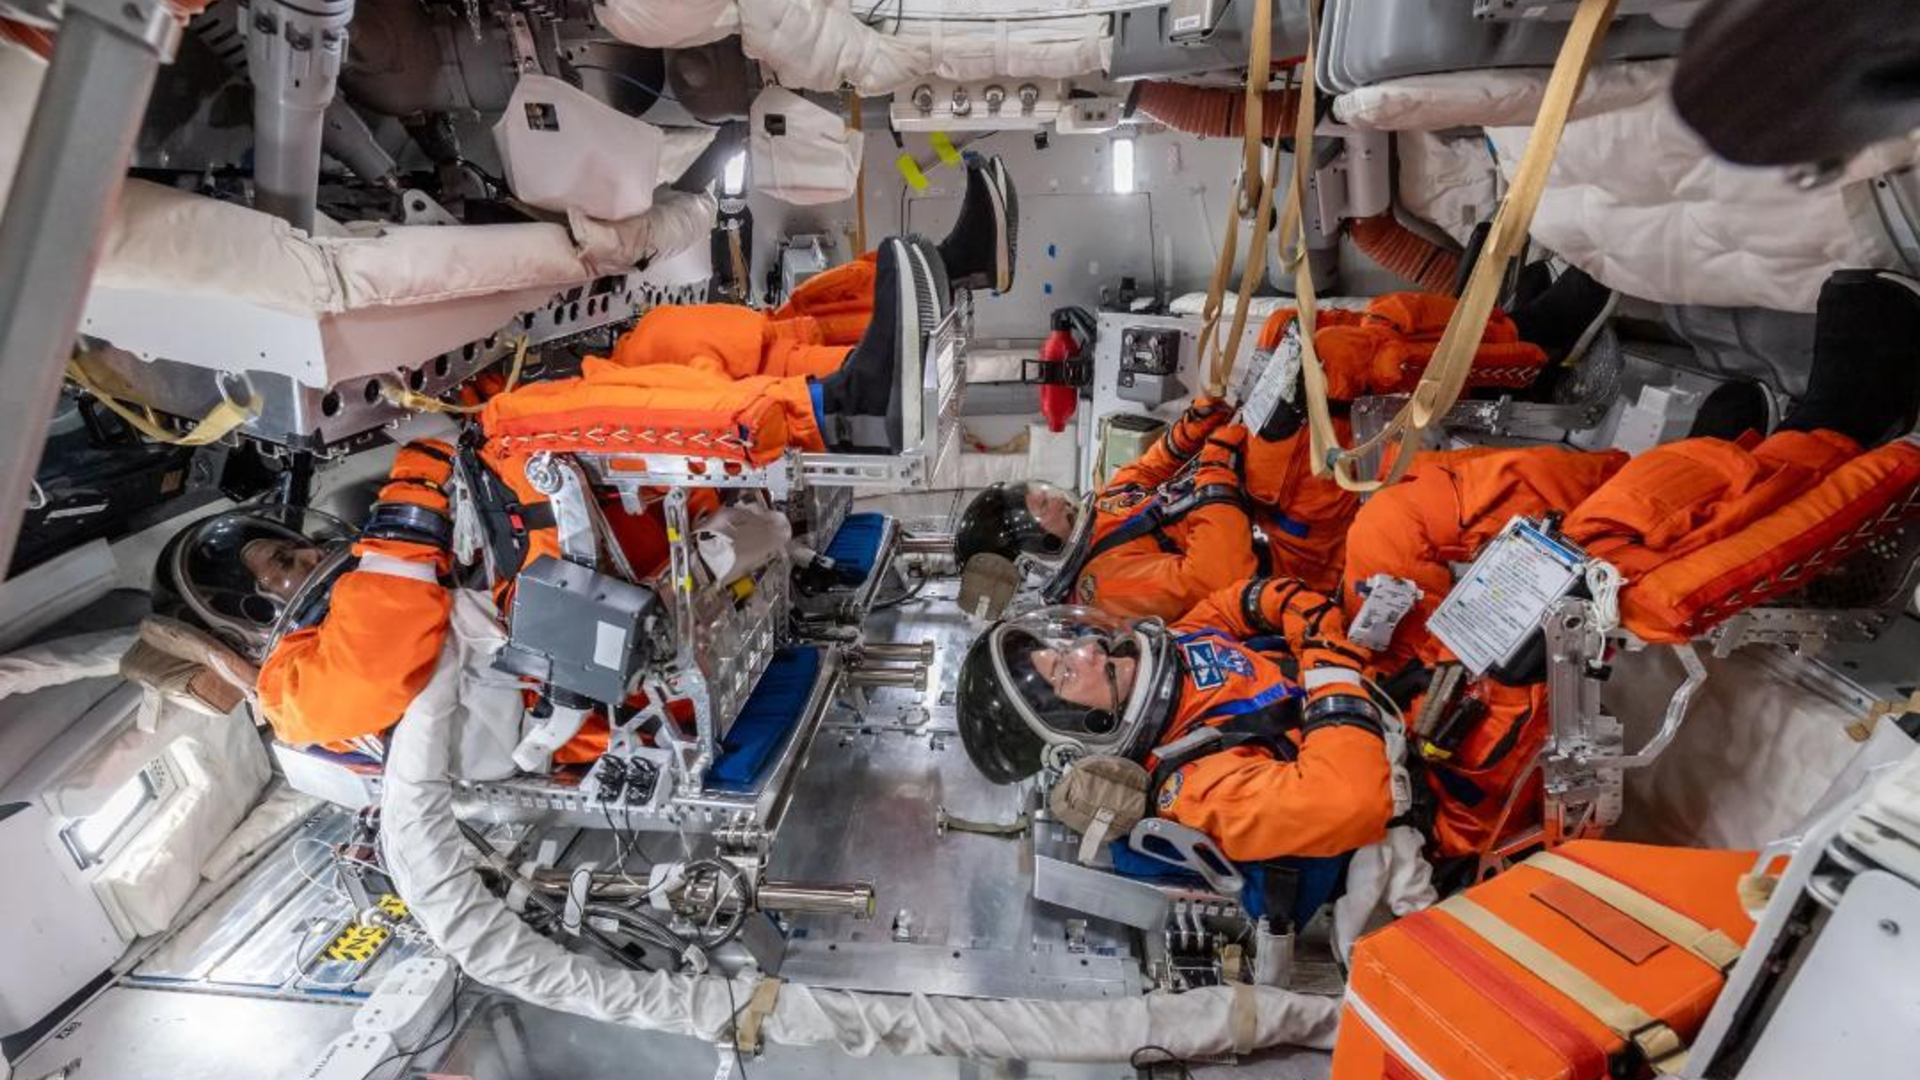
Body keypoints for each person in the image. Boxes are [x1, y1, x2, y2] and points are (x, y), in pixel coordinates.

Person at [956, 576, 1395, 868]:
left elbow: (1241, 604)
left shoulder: (1175, 647)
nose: (1088, 648)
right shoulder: (1195, 783)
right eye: (1065, 673)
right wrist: (1329, 664)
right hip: (1417, 763)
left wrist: (1311, 624)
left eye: (1065, 648)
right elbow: (1351, 801)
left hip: (1370, 678)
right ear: (1078, 729)